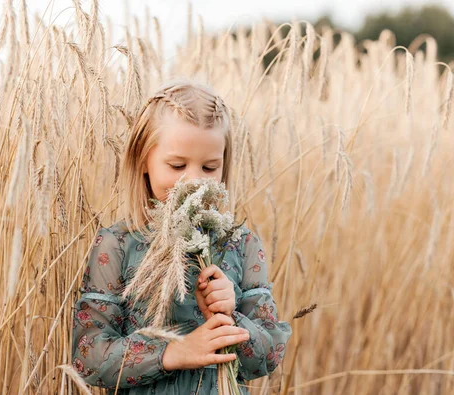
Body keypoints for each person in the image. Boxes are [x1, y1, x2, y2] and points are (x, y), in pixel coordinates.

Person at [71, 80, 292, 394]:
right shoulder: (117, 244)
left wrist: (230, 315)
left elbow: (267, 357)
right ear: (143, 161)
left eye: (209, 167)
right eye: (177, 165)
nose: (193, 180)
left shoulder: (240, 244)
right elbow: (87, 356)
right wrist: (172, 353)